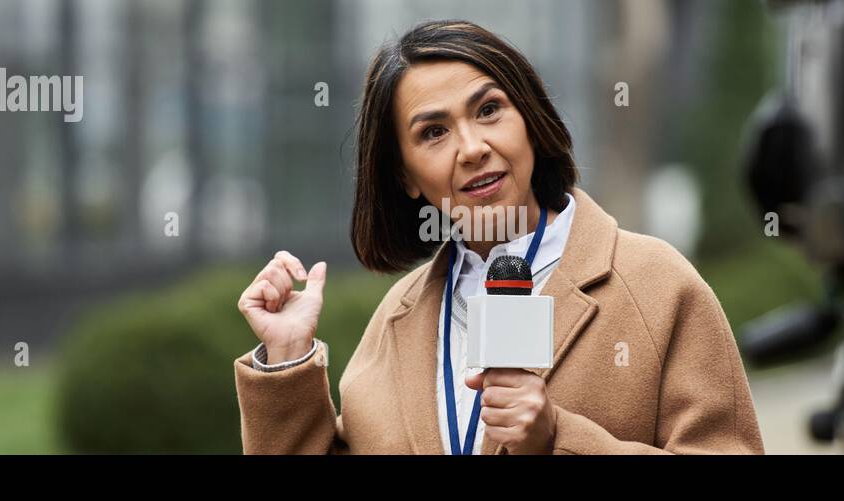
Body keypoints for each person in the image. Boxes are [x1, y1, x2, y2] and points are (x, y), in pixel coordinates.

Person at [233, 20, 764, 455]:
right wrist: (287, 358)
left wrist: (559, 439)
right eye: (433, 132)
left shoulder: (657, 286)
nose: (471, 147)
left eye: (489, 110)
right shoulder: (395, 323)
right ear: (406, 177)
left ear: (529, 121)